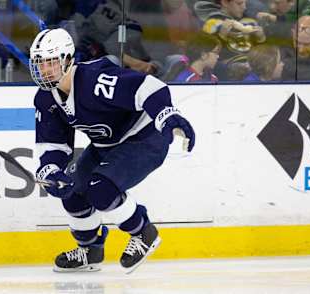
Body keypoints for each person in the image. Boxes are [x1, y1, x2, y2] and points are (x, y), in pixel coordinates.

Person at [29, 28, 195, 273]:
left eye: (50, 62)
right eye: (39, 63)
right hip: (105, 146)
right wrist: (50, 169)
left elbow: (149, 87)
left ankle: (144, 233)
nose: (44, 70)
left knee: (101, 190)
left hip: (145, 139)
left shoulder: (94, 80)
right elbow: (54, 145)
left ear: (67, 59)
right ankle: (91, 249)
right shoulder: (45, 99)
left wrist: (166, 114)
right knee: (72, 193)